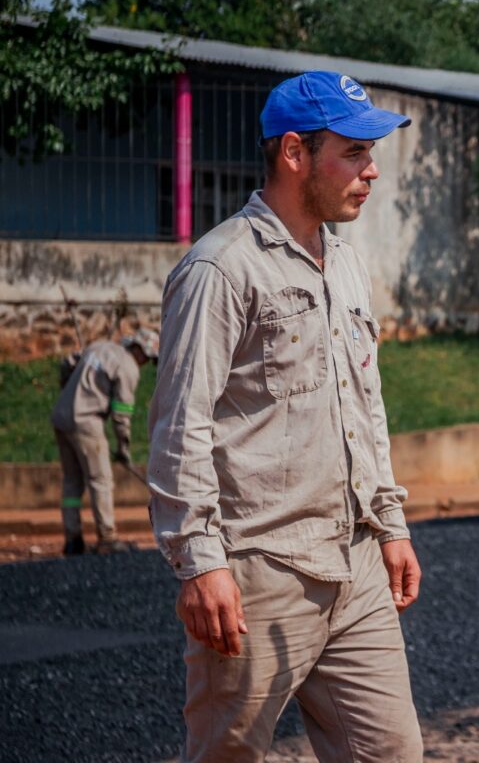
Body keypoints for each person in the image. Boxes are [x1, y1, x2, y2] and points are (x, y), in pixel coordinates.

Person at [147, 71, 423, 762]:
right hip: (259, 572)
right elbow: (182, 424)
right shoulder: (220, 269)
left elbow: (365, 404)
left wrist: (388, 522)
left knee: (392, 753)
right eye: (355, 152)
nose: (372, 171)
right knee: (228, 755)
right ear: (295, 153)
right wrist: (199, 563)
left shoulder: (346, 264)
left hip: (355, 566)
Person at [51, 328, 158, 555]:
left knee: (72, 481)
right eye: (147, 358)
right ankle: (107, 538)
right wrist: (124, 447)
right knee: (101, 480)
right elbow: (121, 413)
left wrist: (69, 390)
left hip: (62, 416)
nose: (146, 363)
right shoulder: (128, 367)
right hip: (87, 420)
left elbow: (68, 363)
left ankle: (73, 540)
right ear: (139, 351)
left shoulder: (99, 346)